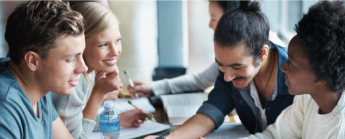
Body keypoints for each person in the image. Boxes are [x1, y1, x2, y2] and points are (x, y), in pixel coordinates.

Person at [145, 1, 294, 139]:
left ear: (262, 54)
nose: (227, 77)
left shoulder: (297, 81)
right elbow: (211, 112)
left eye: (237, 67)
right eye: (221, 64)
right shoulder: (232, 72)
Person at [127, 0, 284, 97]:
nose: (210, 25)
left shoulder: (274, 58)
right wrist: (154, 87)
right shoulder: (229, 61)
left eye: (213, 18)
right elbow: (202, 80)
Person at [241, 1, 345, 138]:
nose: (283, 67)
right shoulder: (307, 99)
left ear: (321, 76)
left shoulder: (339, 131)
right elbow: (274, 136)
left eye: (290, 63)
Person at [51, 2, 152, 139]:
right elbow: (77, 137)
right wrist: (99, 93)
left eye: (117, 40)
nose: (115, 51)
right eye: (103, 44)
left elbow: (75, 124)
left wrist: (117, 119)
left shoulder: (92, 70)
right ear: (81, 44)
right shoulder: (73, 80)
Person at [0, 1, 86, 139]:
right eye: (70, 59)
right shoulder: (5, 108)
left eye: (81, 55)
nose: (83, 68)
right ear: (33, 61)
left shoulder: (38, 85)